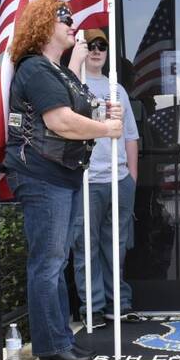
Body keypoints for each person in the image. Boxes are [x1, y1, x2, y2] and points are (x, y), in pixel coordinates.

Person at [3, 0, 124, 360]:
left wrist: (107, 112)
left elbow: (79, 108)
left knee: (55, 262)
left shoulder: (57, 71)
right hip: (43, 177)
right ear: (43, 25)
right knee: (48, 263)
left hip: (62, 177)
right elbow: (60, 121)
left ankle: (58, 340)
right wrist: (107, 129)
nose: (74, 25)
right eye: (65, 19)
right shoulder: (37, 69)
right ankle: (52, 345)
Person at [70, 27, 141, 326]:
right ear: (81, 50)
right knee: (86, 247)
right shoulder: (72, 87)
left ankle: (119, 305)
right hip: (87, 180)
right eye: (90, 45)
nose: (96, 50)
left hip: (118, 180)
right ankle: (93, 308)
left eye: (102, 45)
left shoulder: (117, 90)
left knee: (117, 246)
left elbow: (130, 137)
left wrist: (131, 179)